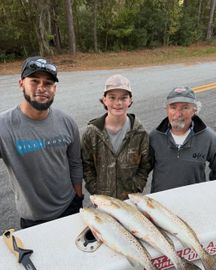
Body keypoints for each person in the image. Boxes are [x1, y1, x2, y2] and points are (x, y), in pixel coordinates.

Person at [0, 56, 83, 229]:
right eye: (35, 81)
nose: (41, 88)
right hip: (33, 218)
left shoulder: (67, 122)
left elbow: (75, 163)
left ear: (55, 88)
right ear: (21, 83)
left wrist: (78, 196)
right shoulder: (4, 126)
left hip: (70, 208)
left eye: (48, 83)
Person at [81, 74, 153, 200]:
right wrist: (95, 189)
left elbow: (146, 165)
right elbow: (86, 164)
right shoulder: (92, 133)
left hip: (130, 201)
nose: (117, 103)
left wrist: (136, 187)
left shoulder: (140, 133)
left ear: (130, 100)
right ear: (104, 100)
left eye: (123, 98)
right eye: (112, 97)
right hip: (102, 201)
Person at [149, 86, 216, 193]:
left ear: (194, 110)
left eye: (185, 108)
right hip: (161, 204)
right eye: (173, 107)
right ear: (167, 110)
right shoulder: (154, 137)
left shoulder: (209, 138)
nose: (178, 114)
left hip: (193, 203)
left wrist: (213, 194)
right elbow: (141, 170)